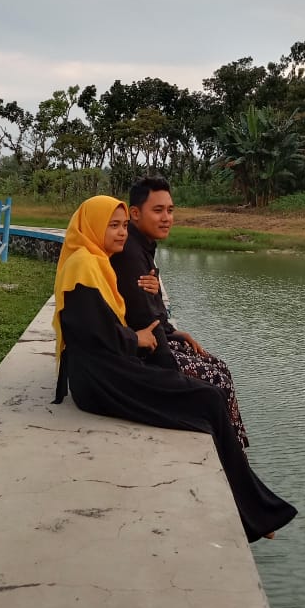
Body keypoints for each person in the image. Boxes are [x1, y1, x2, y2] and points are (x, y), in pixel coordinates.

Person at [52, 195, 297, 543]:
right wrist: (135, 339)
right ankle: (256, 513)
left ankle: (253, 510)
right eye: (113, 225)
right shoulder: (84, 265)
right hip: (102, 380)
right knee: (207, 399)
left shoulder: (96, 261)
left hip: (106, 373)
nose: (122, 233)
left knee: (206, 401)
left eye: (123, 226)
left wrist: (142, 333)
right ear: (91, 227)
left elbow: (108, 323)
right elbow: (88, 331)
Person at [111, 176, 249, 449]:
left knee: (218, 367)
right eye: (158, 210)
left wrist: (175, 333)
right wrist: (171, 373)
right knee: (218, 379)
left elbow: (151, 308)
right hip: (141, 355)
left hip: (149, 342)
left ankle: (233, 447)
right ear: (135, 213)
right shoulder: (131, 253)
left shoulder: (142, 247)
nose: (166, 218)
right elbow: (143, 318)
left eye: (170, 210)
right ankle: (232, 452)